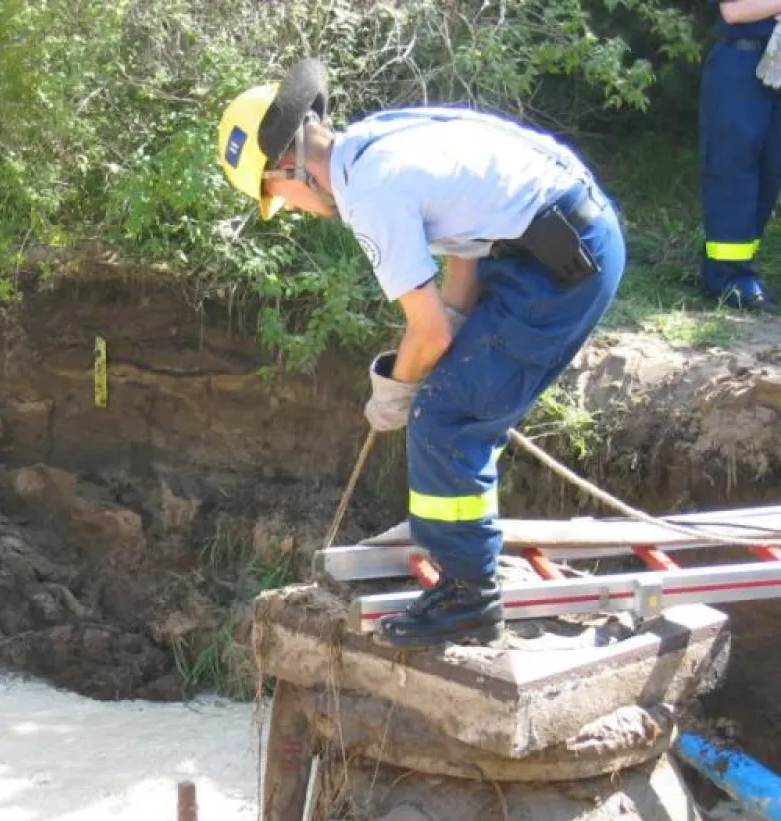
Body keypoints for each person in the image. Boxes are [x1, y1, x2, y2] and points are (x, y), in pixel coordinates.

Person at [216, 59, 626, 649]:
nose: (294, 209)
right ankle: (466, 571)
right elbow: (465, 248)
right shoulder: (375, 142)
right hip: (549, 240)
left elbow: (428, 334)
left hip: (562, 267)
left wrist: (397, 391)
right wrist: (450, 328)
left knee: (444, 419)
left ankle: (468, 598)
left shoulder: (370, 194)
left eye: (278, 195)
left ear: (288, 167)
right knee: (456, 395)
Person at [699, 1, 781, 313]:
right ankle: (727, 278)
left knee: (770, 171)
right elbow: (735, 11)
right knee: (734, 172)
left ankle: (743, 269)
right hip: (741, 64)